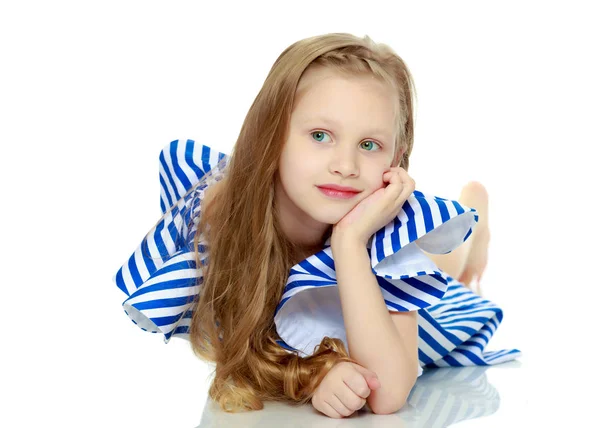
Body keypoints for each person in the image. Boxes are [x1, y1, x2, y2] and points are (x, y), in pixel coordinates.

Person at [113, 33, 520, 419]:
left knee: (442, 270)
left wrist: (350, 242)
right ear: (272, 137)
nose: (345, 166)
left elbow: (390, 393)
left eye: (368, 145)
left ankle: (471, 220)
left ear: (396, 157)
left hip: (394, 314)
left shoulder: (380, 227)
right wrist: (311, 377)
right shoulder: (222, 221)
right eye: (321, 135)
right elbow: (239, 348)